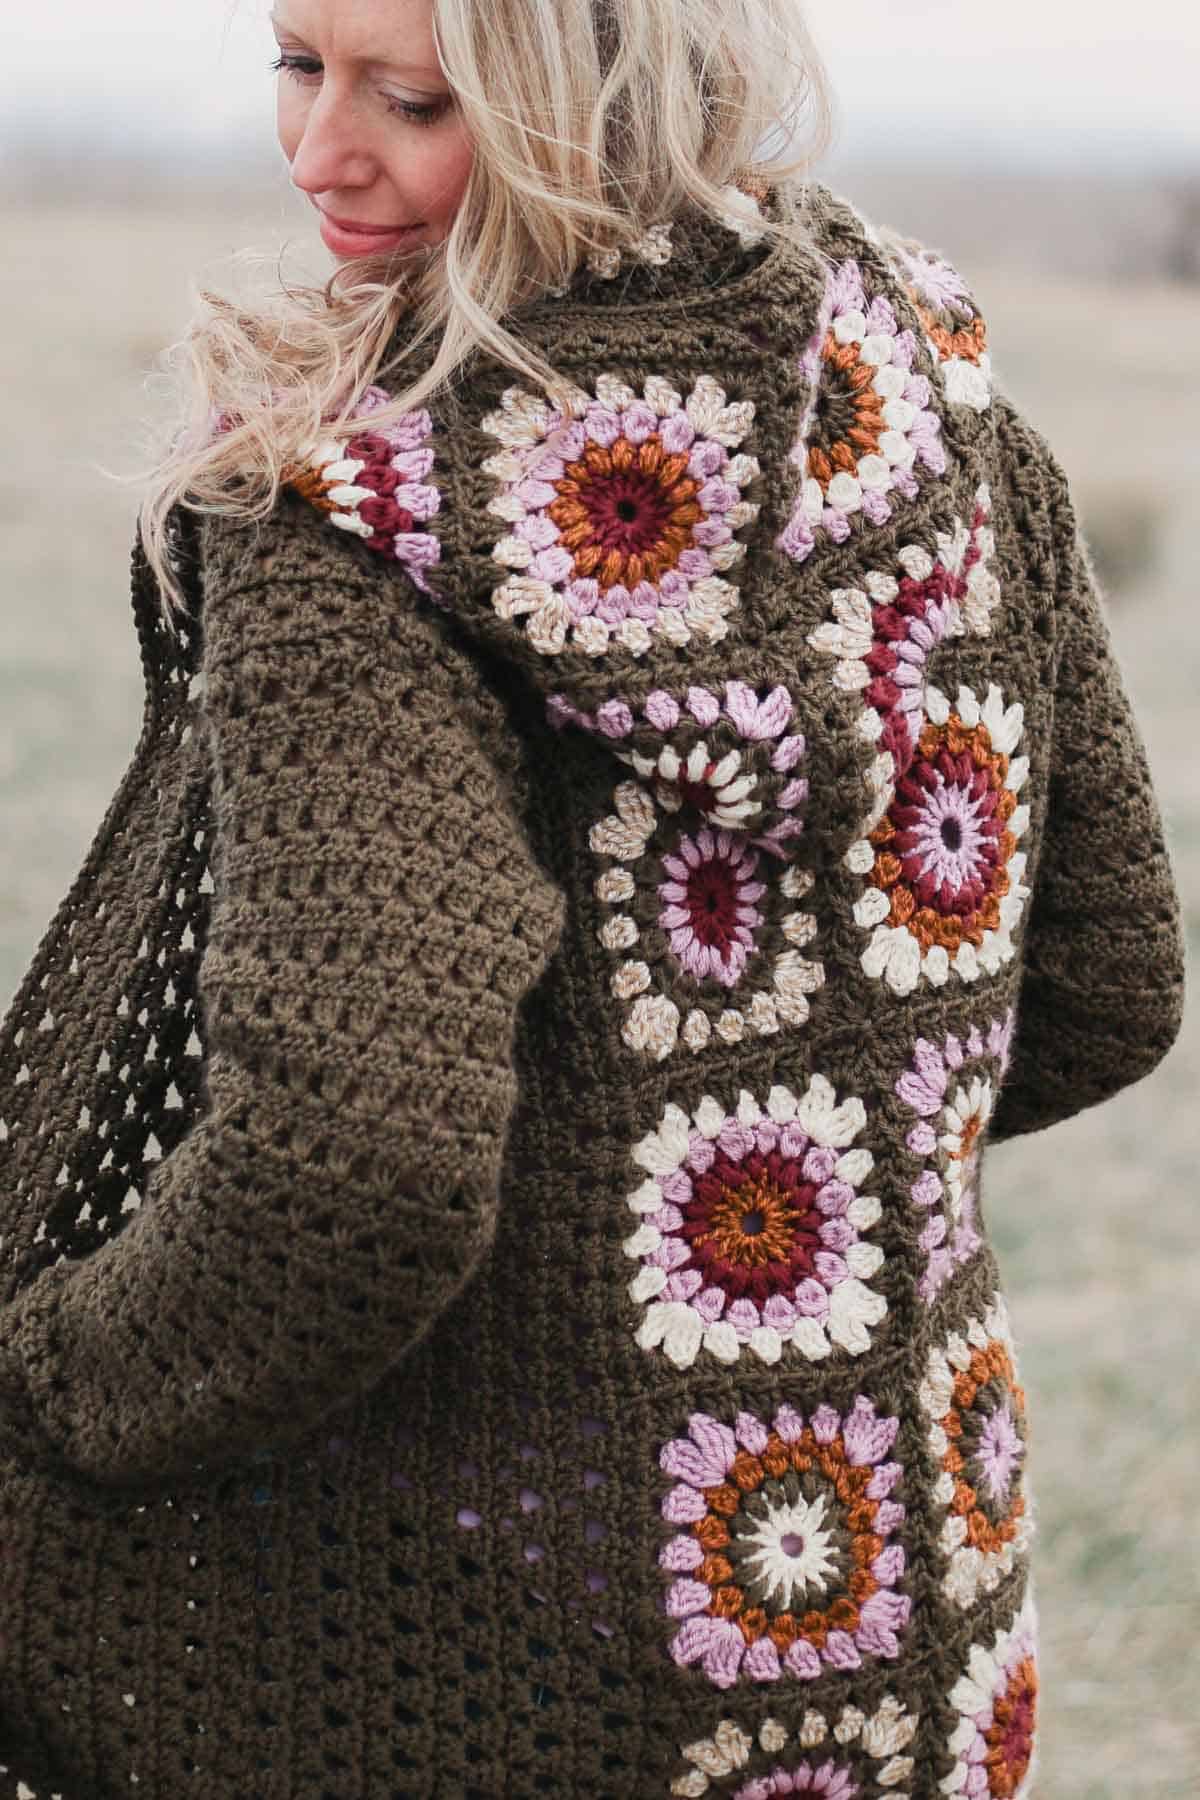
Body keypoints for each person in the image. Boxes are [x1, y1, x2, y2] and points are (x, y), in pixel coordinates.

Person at [0, 0, 1185, 1795]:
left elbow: (353, 1164)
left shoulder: (355, 496)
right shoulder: (922, 396)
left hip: (465, 1686)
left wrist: (49, 1376)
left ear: (607, 91)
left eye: (411, 97)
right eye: (294, 62)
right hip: (898, 1619)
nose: (322, 152)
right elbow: (1101, 982)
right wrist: (761, 1190)